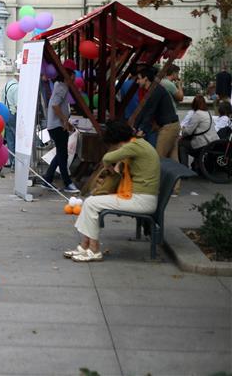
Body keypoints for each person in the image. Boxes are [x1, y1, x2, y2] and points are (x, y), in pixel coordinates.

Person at [65, 120, 160, 263]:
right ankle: (85, 247)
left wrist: (111, 163)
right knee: (91, 203)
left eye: (112, 145)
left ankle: (94, 250)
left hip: (142, 200)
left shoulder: (134, 146)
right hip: (141, 197)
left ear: (117, 141)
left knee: (91, 203)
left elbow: (107, 158)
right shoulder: (138, 144)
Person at [42, 60, 80, 193]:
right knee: (62, 155)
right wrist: (65, 121)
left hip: (56, 125)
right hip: (57, 126)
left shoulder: (59, 85)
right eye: (74, 74)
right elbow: (55, 106)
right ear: (68, 74)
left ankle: (48, 179)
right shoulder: (62, 87)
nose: (75, 78)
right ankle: (67, 182)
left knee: (60, 154)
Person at [134, 66, 180, 167]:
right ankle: (175, 182)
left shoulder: (155, 90)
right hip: (172, 125)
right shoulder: (154, 90)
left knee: (158, 159)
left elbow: (149, 111)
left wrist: (141, 129)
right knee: (173, 160)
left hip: (168, 127)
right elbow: (145, 111)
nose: (137, 81)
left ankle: (158, 182)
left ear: (145, 78)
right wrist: (136, 126)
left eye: (138, 78)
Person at [179, 95, 218, 168]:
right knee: (194, 141)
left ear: (194, 104)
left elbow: (188, 132)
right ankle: (196, 166)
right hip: (212, 143)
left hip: (203, 144)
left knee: (182, 144)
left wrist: (183, 129)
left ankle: (184, 168)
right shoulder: (208, 113)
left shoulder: (197, 114)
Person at [3, 72, 19, 169]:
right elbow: (18, 104)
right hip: (13, 114)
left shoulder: (7, 84)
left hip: (5, 113)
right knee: (17, 139)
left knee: (10, 140)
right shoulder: (17, 87)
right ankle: (15, 164)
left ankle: (12, 161)